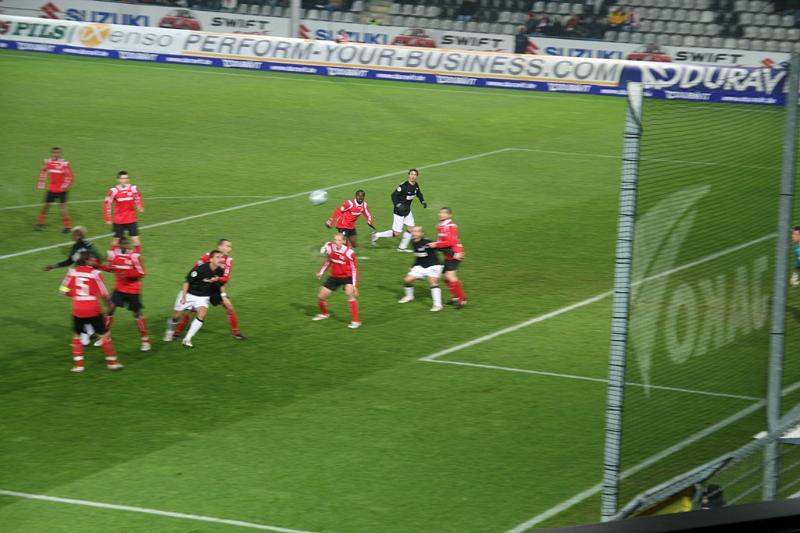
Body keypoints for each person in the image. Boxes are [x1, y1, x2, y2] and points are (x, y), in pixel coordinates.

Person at [170, 239, 246, 340]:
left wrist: (223, 293)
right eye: (227, 246)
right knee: (191, 311)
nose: (229, 249)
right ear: (219, 247)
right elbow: (195, 270)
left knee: (229, 307)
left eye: (230, 247)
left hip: (215, 287)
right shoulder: (207, 256)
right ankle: (176, 333)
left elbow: (225, 278)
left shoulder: (229, 260)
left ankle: (236, 334)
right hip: (201, 288)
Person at [60, 252, 123, 373]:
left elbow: (63, 290)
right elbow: (104, 293)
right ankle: (113, 363)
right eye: (92, 260)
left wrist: (75, 295)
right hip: (93, 309)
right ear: (87, 261)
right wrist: (109, 304)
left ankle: (79, 366)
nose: (94, 262)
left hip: (78, 309)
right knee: (103, 335)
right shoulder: (95, 273)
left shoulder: (71, 272)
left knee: (77, 336)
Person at [96, 236, 150, 352]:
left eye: (127, 244)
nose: (126, 246)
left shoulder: (134, 256)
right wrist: (98, 265)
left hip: (133, 289)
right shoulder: (113, 255)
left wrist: (129, 274)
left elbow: (142, 273)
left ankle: (145, 340)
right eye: (124, 244)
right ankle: (105, 336)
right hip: (119, 289)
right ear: (119, 245)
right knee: (110, 310)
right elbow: (110, 268)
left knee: (137, 314)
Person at [163, 250, 226, 348]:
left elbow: (221, 283)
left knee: (202, 314)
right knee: (176, 316)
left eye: (221, 257)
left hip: (203, 297)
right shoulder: (200, 269)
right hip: (189, 294)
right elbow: (187, 282)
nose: (220, 259)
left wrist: (222, 294)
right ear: (211, 259)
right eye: (217, 257)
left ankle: (187, 339)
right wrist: (183, 297)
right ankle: (170, 330)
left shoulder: (220, 271)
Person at [371, 168, 427, 251]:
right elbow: (393, 195)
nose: (413, 176)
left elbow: (419, 193)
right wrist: (397, 205)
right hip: (399, 212)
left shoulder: (416, 185)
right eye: (411, 174)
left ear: (417, 176)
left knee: (411, 228)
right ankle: (377, 235)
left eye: (415, 175)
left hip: (407, 211)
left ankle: (402, 248)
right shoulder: (403, 186)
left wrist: (423, 201)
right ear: (408, 175)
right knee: (396, 233)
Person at [314, 233, 361, 328]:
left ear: (344, 241)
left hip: (347, 277)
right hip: (334, 277)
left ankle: (356, 321)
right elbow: (329, 261)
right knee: (321, 296)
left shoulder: (349, 252)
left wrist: (355, 286)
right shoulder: (331, 248)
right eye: (335, 240)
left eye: (339, 240)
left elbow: (354, 269)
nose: (337, 242)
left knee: (350, 294)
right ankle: (324, 314)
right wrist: (321, 272)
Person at [427, 207, 467, 308]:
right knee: (445, 277)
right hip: (449, 254)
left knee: (450, 276)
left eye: (444, 213)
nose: (441, 214)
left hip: (456, 253)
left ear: (450, 215)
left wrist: (436, 244)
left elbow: (451, 242)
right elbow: (442, 243)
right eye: (440, 213)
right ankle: (456, 297)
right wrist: (437, 245)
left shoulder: (451, 226)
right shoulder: (440, 226)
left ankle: (462, 299)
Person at [398, 226, 444, 312]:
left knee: (432, 282)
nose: (414, 233)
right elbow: (418, 255)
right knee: (407, 280)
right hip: (421, 266)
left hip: (434, 265)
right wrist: (413, 266)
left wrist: (454, 253)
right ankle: (409, 296)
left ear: (421, 234)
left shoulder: (427, 242)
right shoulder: (413, 242)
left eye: (417, 232)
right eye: (413, 231)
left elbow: (441, 248)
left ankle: (438, 305)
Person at [36, 147, 75, 233]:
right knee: (46, 207)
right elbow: (43, 172)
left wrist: (64, 186)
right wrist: (41, 183)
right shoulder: (48, 163)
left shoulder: (64, 164)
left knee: (63, 208)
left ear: (60, 154)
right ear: (52, 153)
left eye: (58, 153)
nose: (56, 154)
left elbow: (70, 176)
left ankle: (67, 227)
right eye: (54, 153)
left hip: (62, 191)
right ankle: (40, 223)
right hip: (51, 190)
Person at [104, 170, 144, 248]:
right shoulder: (113, 191)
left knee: (136, 240)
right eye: (122, 178)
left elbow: (138, 197)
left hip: (131, 219)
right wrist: (107, 217)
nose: (124, 180)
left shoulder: (133, 188)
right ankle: (112, 257)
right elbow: (107, 203)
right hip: (119, 220)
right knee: (116, 241)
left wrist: (140, 206)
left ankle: (136, 258)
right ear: (118, 180)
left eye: (126, 178)